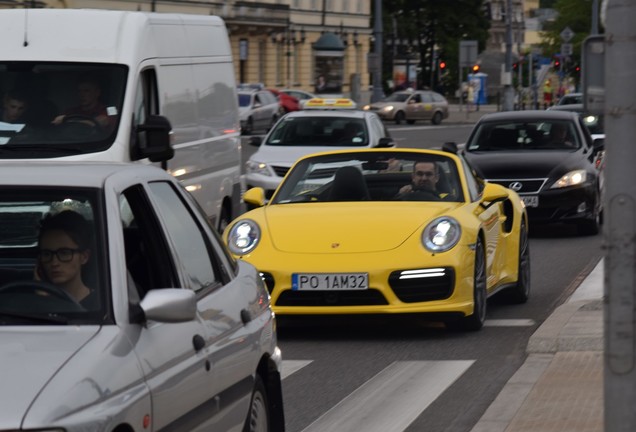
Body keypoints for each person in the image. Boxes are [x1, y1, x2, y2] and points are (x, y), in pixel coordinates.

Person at [36, 210, 96, 307]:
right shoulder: (30, 303)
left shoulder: (103, 305)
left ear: (84, 257)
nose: (54, 262)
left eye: (64, 253)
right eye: (47, 254)